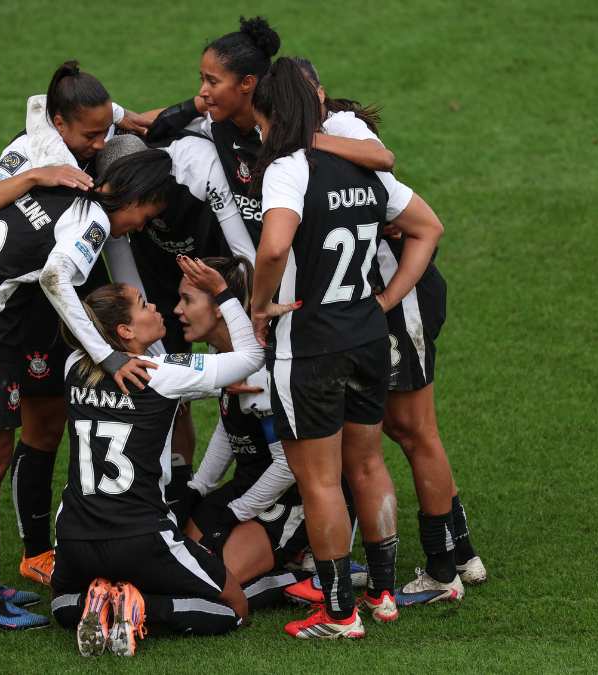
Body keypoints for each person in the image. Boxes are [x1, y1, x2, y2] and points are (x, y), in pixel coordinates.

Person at [0, 146, 175, 630]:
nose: (142, 225)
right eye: (148, 214)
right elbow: (57, 277)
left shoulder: (63, 192)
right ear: (137, 196)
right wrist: (107, 354)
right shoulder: (94, 220)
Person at [248, 58, 445, 639]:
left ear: (271, 113)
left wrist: (260, 304)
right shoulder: (360, 167)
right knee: (367, 462)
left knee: (320, 481)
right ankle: (383, 593)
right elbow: (428, 227)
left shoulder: (287, 169)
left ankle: (338, 613)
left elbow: (275, 247)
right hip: (365, 337)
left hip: (308, 346)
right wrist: (384, 301)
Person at [0, 61, 155, 591]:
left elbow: (114, 117)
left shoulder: (98, 127)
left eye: (102, 130)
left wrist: (139, 121)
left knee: (57, 418)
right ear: (60, 125)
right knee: (17, 436)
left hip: (61, 285)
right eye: (89, 134)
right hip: (28, 298)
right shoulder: (31, 150)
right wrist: (36, 177)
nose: (98, 141)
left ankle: (38, 548)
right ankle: (20, 556)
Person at [296, 57, 488, 599]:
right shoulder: (321, 131)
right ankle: (461, 553)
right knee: (405, 432)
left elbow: (387, 168)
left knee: (412, 431)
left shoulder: (339, 128)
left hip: (397, 297)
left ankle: (443, 569)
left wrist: (383, 302)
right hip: (392, 296)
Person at [50, 257, 285, 656]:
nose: (156, 307)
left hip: (74, 534)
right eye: (144, 304)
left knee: (59, 604)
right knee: (235, 610)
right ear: (125, 331)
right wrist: (225, 293)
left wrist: (214, 391)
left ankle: (98, 598)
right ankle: (144, 606)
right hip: (141, 535)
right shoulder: (162, 372)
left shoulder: (73, 366)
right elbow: (250, 357)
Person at [95, 133, 256, 524]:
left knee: (247, 381)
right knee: (176, 395)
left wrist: (243, 311)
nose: (131, 220)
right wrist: (168, 370)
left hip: (222, 263)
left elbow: (245, 254)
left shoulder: (197, 171)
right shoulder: (117, 213)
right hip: (161, 278)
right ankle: (177, 493)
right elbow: (130, 288)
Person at [145, 16, 393, 244]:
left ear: (247, 83)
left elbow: (382, 158)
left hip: (310, 263)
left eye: (212, 81)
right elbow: (153, 128)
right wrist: (194, 104)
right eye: (202, 80)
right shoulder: (217, 123)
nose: (203, 89)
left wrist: (302, 139)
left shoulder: (301, 125)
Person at [172, 256, 313, 608]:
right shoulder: (223, 352)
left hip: (289, 495)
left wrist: (236, 512)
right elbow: (228, 423)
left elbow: (287, 465)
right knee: (184, 565)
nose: (177, 309)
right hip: (248, 484)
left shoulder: (261, 370)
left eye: (187, 300)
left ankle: (306, 574)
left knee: (216, 582)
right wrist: (199, 487)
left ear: (220, 310)